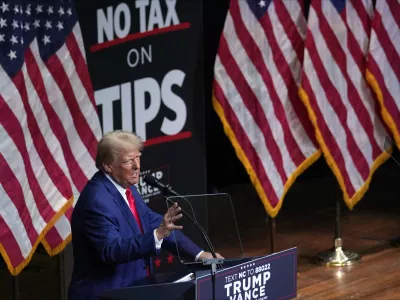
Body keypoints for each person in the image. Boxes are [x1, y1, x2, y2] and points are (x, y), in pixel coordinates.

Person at [68, 130, 222, 300]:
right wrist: (157, 235)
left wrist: (199, 255)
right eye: (128, 161)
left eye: (138, 157)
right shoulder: (96, 201)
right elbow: (111, 250)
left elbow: (154, 222)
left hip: (136, 289)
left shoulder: (126, 187)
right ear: (108, 166)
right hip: (108, 294)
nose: (137, 166)